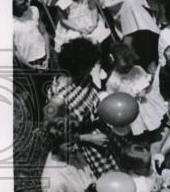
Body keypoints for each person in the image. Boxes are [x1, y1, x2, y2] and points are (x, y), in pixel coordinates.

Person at [46, 38, 119, 178]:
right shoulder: (57, 100)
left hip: (104, 132)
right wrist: (90, 138)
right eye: (90, 67)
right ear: (80, 69)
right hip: (87, 148)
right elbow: (55, 134)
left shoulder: (82, 79)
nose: (92, 71)